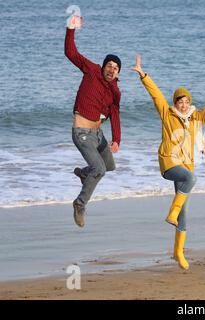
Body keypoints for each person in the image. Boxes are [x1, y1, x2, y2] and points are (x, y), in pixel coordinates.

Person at [132, 53, 205, 269]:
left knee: (184, 212)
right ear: (175, 103)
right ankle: (172, 212)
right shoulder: (167, 114)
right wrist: (144, 75)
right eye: (180, 101)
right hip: (169, 161)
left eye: (187, 101)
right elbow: (156, 95)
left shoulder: (197, 117)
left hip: (187, 163)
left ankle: (178, 252)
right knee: (190, 179)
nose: (184, 104)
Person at [65, 15, 122, 227]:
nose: (111, 69)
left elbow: (115, 113)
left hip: (98, 134)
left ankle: (84, 173)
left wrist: (117, 139)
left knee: (109, 166)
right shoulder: (91, 70)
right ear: (103, 66)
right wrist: (71, 28)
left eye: (116, 68)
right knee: (99, 169)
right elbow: (71, 53)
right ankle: (79, 204)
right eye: (109, 65)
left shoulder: (115, 91)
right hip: (81, 132)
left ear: (117, 74)